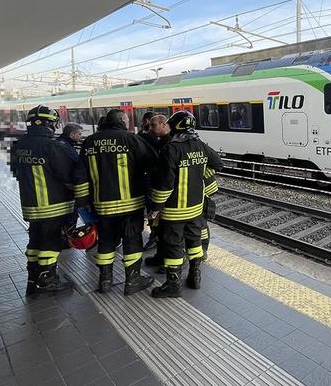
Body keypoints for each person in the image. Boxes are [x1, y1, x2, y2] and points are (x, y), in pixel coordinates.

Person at [74, 109, 157, 296]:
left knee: (105, 241)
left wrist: (83, 201)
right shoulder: (130, 139)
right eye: (127, 119)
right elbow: (151, 163)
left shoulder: (89, 142)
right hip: (131, 204)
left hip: (102, 205)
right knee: (132, 240)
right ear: (121, 120)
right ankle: (133, 280)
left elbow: (80, 175)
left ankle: (104, 281)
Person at [149, 110, 223, 298]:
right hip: (196, 208)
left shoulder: (170, 148)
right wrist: (198, 170)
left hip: (175, 211)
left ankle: (173, 285)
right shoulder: (200, 145)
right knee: (194, 242)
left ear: (174, 127)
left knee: (173, 245)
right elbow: (218, 164)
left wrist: (156, 207)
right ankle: (195, 276)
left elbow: (165, 184)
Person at [10, 105, 79, 295]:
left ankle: (33, 278)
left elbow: (15, 172)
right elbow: (71, 175)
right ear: (51, 124)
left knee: (35, 241)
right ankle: (48, 280)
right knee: (51, 242)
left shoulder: (19, 145)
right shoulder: (54, 147)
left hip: (30, 205)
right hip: (53, 205)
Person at [140, 115, 170, 253]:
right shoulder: (155, 138)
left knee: (160, 219)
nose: (151, 128)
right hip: (152, 184)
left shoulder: (167, 142)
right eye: (150, 125)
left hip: (160, 188)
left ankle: (158, 242)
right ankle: (157, 242)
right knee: (155, 217)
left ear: (163, 124)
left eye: (153, 125)